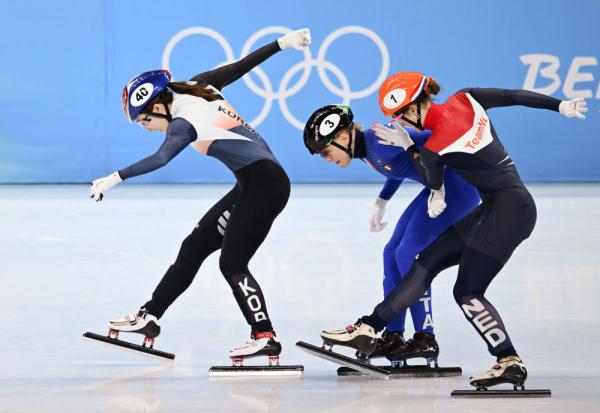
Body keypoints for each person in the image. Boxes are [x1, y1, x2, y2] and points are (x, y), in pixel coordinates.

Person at [319, 71, 587, 388]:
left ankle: (508, 361)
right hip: (496, 206)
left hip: (510, 212)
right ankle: (371, 326)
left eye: (403, 113)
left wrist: (410, 150)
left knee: (467, 292)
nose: (402, 120)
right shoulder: (466, 97)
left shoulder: (434, 147)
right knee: (425, 262)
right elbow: (512, 95)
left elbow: (434, 179)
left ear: (418, 105)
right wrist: (560, 106)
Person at [89, 29, 312, 363]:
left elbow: (160, 158)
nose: (145, 126)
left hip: (265, 186)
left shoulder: (183, 122)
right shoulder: (200, 84)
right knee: (193, 247)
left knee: (232, 262)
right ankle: (150, 316)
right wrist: (281, 44)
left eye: (144, 119)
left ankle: (264, 335)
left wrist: (115, 177)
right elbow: (241, 66)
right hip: (252, 183)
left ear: (159, 104)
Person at [303, 104, 479, 363]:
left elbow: (440, 139)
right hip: (443, 187)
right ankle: (394, 335)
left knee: (408, 253)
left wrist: (439, 187)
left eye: (325, 152)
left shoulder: (378, 141)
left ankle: (425, 339)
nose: (327, 159)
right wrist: (382, 201)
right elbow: (398, 166)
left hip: (458, 188)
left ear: (342, 137)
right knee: (391, 253)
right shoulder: (367, 149)